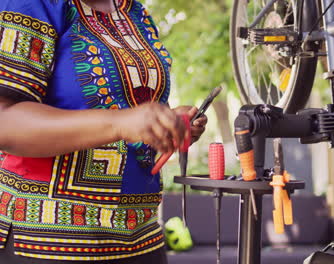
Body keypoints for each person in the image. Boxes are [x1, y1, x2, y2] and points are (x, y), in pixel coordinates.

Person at [0, 0, 208, 263]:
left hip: (140, 237)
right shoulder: (34, 4)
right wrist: (120, 123)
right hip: (51, 242)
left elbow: (132, 108)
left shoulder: (135, 11)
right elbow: (4, 123)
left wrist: (166, 123)